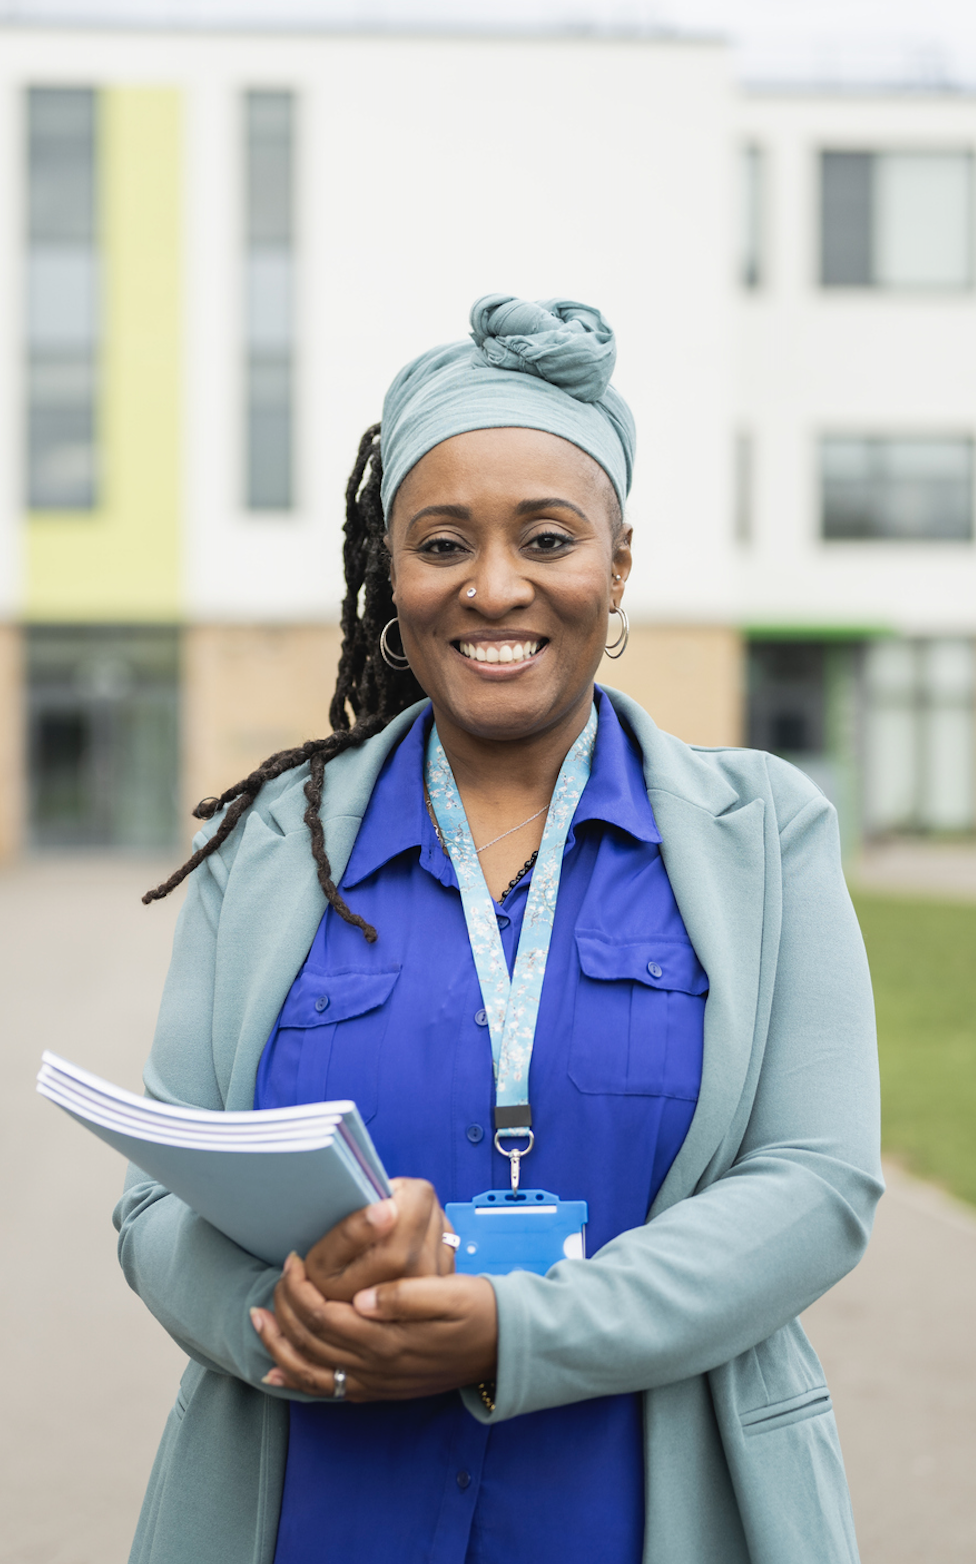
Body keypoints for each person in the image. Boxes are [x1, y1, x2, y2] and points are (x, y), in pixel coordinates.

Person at [118, 295, 881, 1564]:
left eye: (546, 537)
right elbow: (157, 1198)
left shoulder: (762, 835)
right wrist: (287, 1321)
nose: (492, 587)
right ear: (392, 573)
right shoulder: (269, 847)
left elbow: (815, 1181)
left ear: (617, 564)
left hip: (645, 1512)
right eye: (440, 543)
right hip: (318, 1512)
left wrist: (511, 1332)